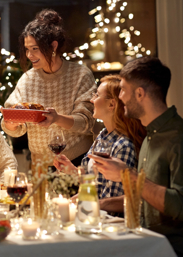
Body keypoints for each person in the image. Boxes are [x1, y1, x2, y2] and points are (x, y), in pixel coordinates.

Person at [89, 57, 183, 256]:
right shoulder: (150, 137)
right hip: (144, 241)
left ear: (139, 94)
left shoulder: (177, 137)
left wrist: (129, 176)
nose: (120, 97)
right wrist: (102, 204)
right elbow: (145, 199)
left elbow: (180, 205)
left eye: (123, 90)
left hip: (169, 249)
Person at [1, 9, 96, 166]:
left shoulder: (80, 75)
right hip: (40, 165)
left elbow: (87, 123)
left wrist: (57, 118)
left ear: (53, 46)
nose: (29, 55)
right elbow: (13, 124)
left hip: (76, 162)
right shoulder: (27, 79)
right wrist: (11, 123)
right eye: (27, 49)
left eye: (35, 49)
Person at [54, 75, 146, 213]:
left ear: (111, 104)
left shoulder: (123, 145)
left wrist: (85, 204)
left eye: (96, 95)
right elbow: (95, 185)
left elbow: (113, 203)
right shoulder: (102, 136)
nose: (92, 100)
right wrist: (72, 170)